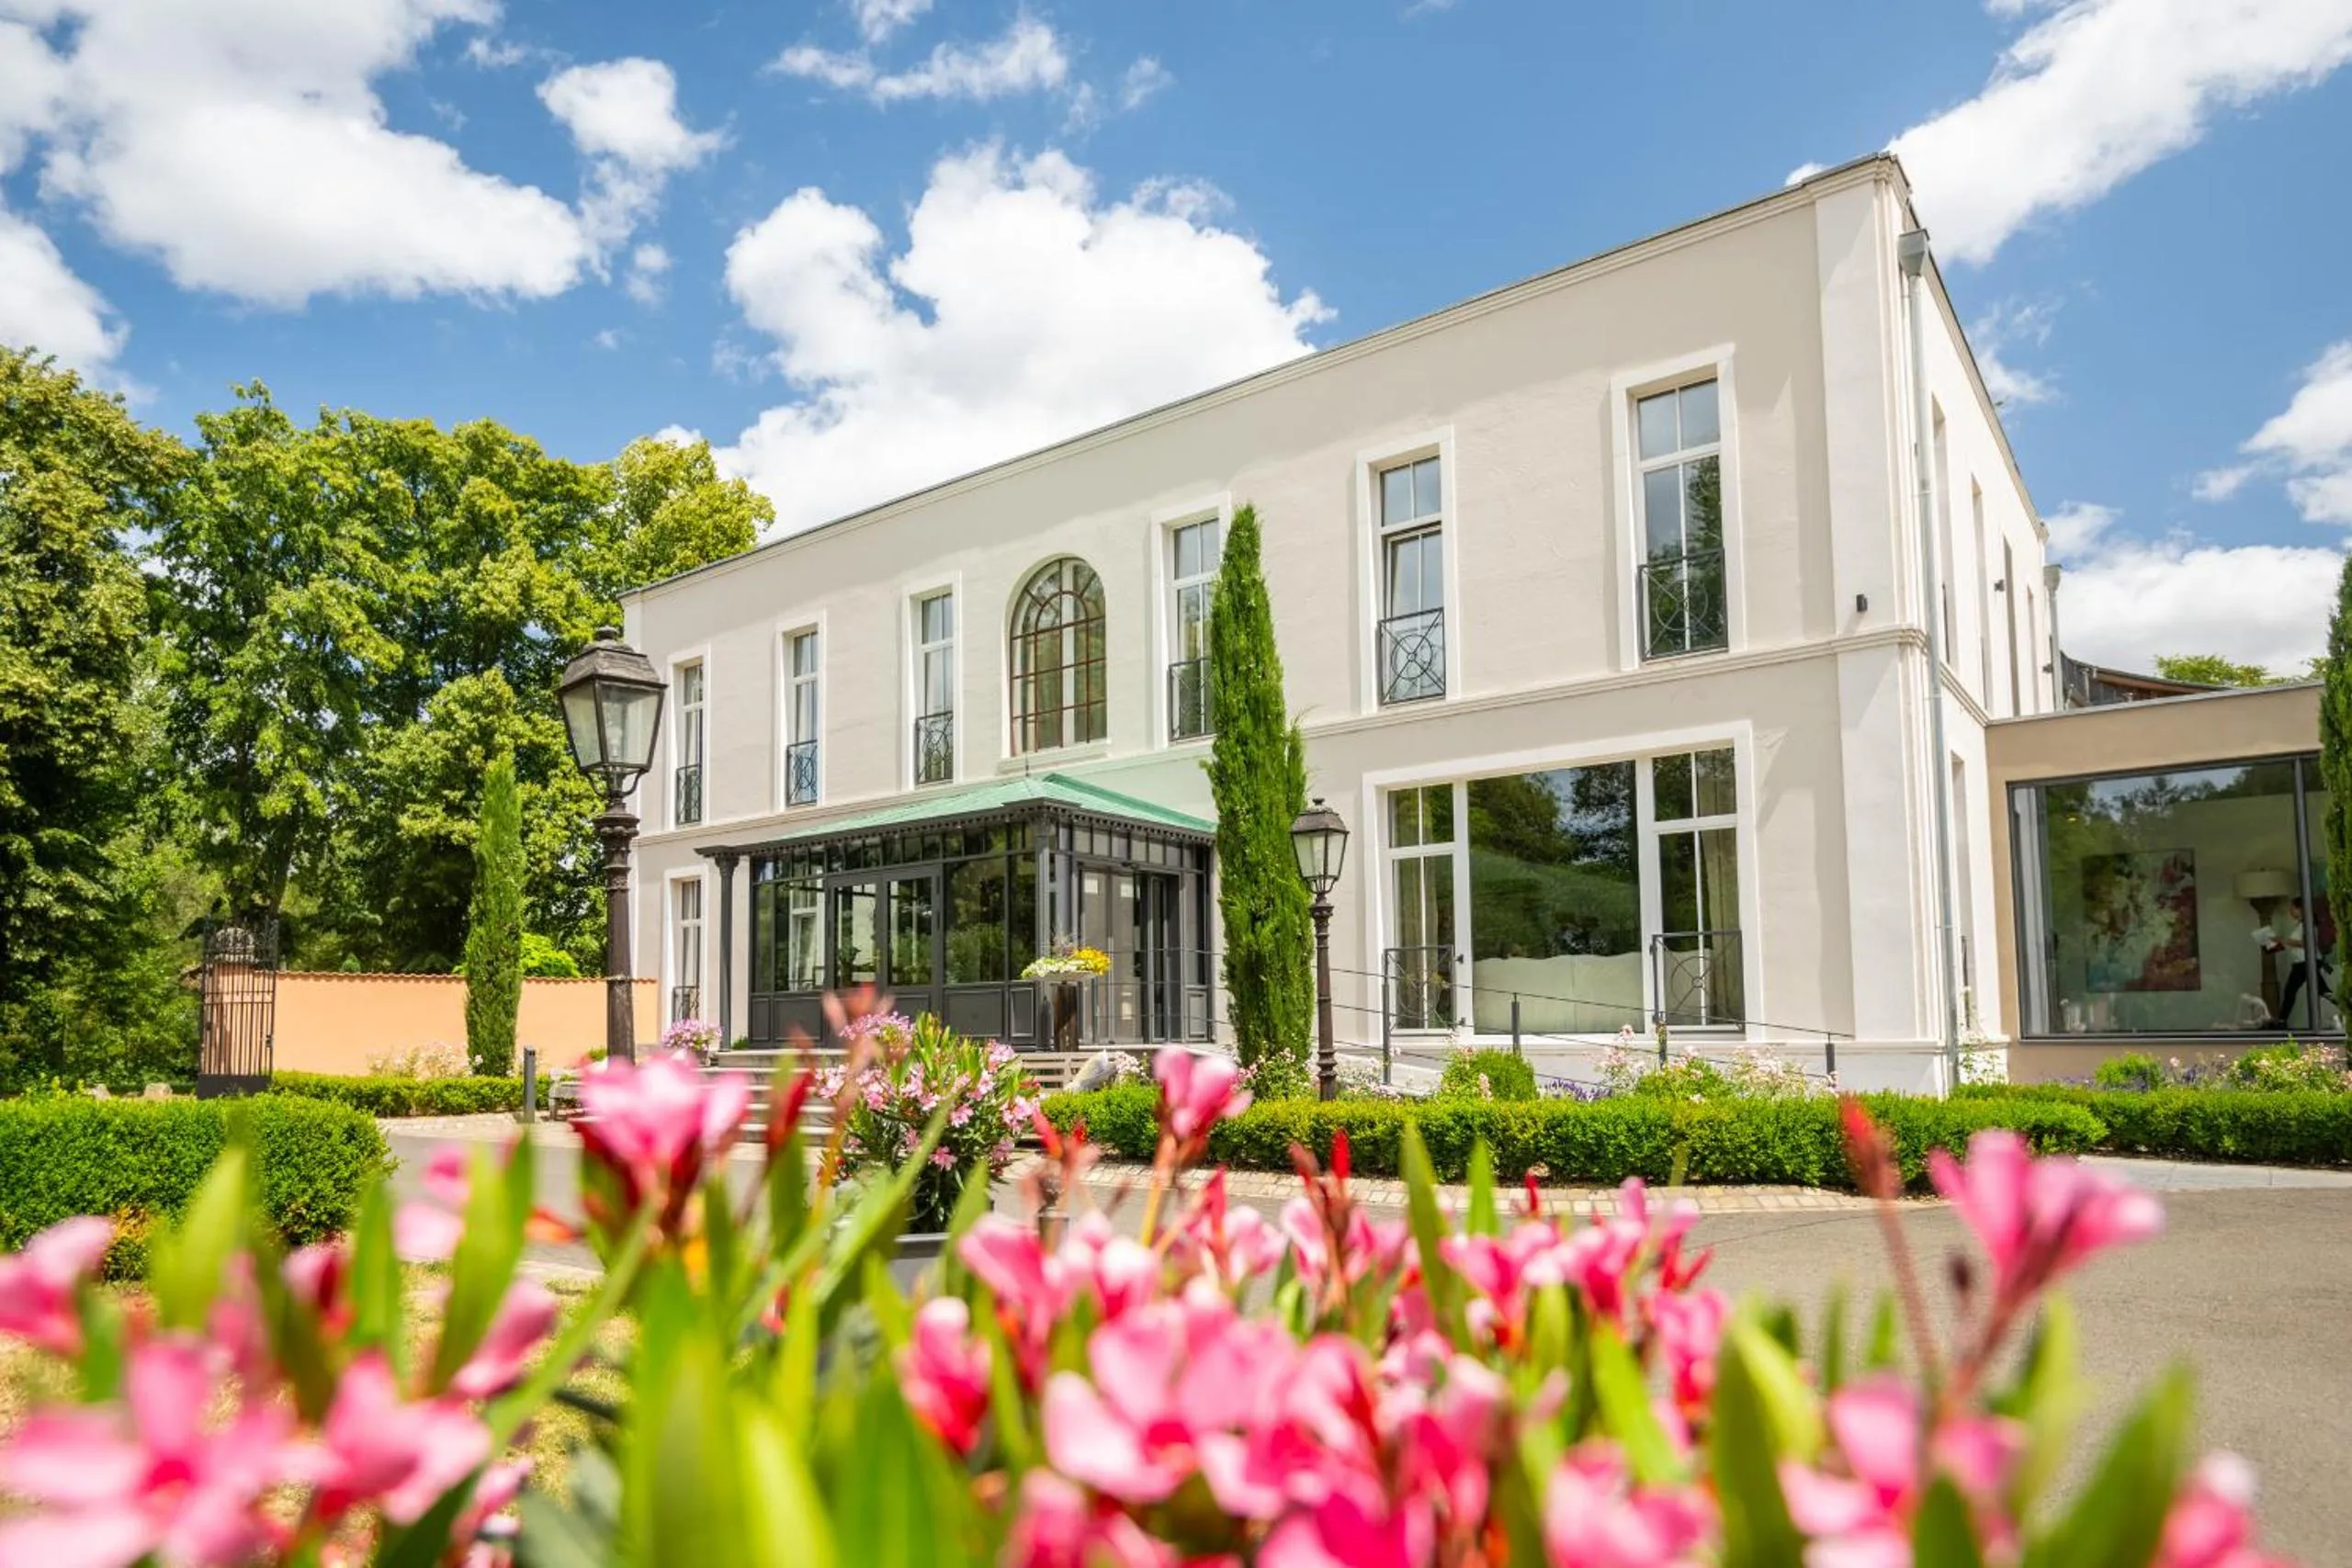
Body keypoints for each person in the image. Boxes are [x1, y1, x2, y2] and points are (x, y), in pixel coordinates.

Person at [2267, 897, 2335, 1028]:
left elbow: (2305, 942)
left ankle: (2281, 1021)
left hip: (2305, 963)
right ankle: (2281, 1021)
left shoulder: (2307, 925)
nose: (2290, 911)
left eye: (2292, 908)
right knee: (2318, 991)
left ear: (2300, 909)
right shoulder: (2302, 924)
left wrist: (2282, 940)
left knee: (2292, 991)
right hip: (2303, 963)